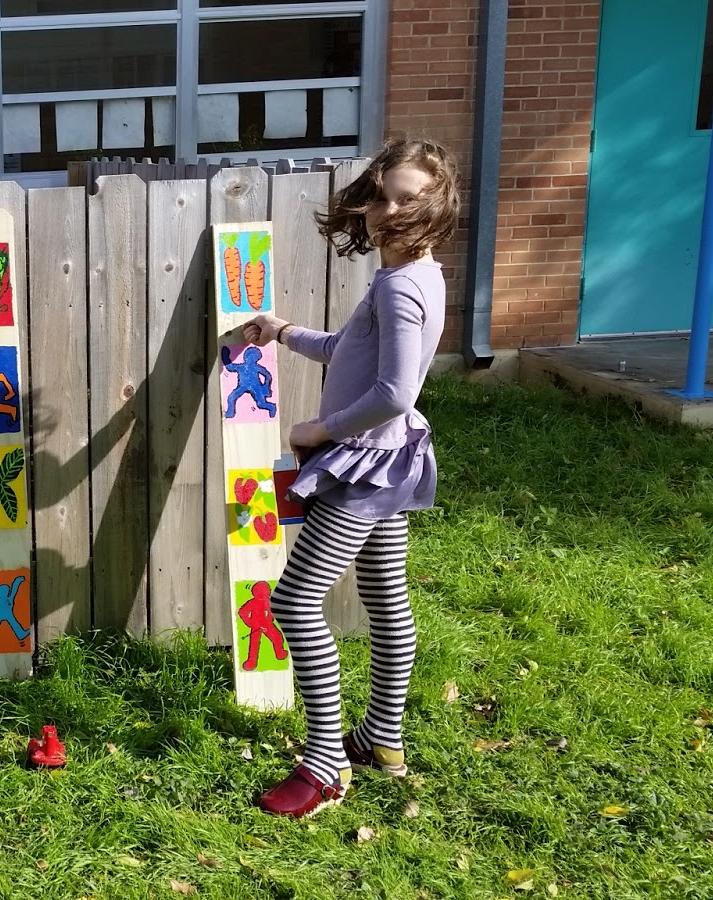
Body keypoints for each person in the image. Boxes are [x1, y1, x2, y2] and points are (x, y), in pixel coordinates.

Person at [240, 138, 460, 819]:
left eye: (407, 199)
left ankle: (325, 766)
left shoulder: (399, 288)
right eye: (382, 195)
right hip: (393, 457)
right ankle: (381, 742)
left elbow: (394, 390)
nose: (388, 210)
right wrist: (280, 331)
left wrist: (319, 431)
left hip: (363, 467)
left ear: (436, 209)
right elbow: (348, 351)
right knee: (386, 598)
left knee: (295, 605)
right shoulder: (418, 276)